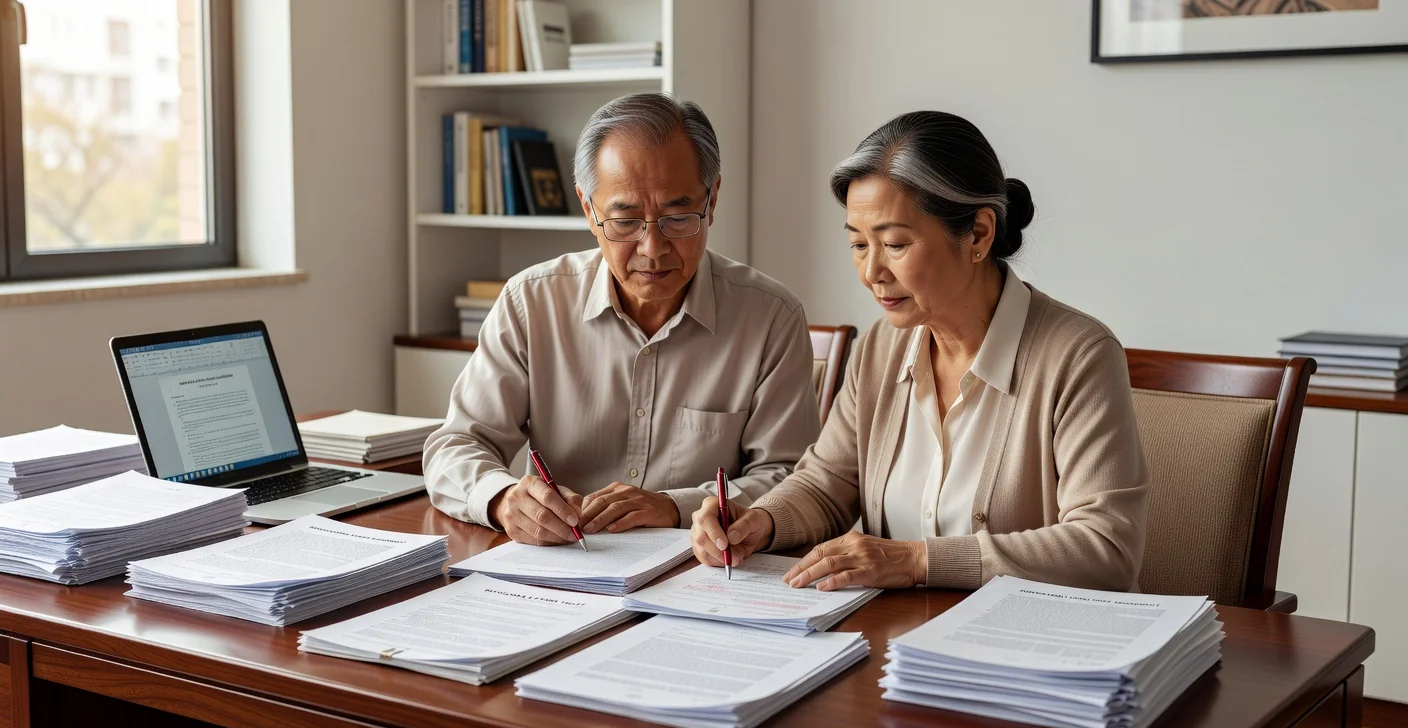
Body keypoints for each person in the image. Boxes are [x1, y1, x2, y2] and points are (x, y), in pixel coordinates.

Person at [690, 111, 1150, 592]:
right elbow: (827, 483)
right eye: (858, 244)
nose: (871, 272)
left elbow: (1106, 546)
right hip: (900, 641)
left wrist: (917, 561)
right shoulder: (880, 349)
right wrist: (760, 522)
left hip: (1033, 649)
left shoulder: (1078, 356)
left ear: (977, 234)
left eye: (893, 244)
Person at [424, 93, 821, 545]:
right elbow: (455, 445)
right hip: (564, 570)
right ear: (588, 209)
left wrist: (677, 505)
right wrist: (501, 498)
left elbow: (792, 478)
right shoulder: (531, 302)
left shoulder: (770, 317)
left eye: (677, 216)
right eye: (626, 220)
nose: (653, 248)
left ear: (712, 201)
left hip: (700, 575)